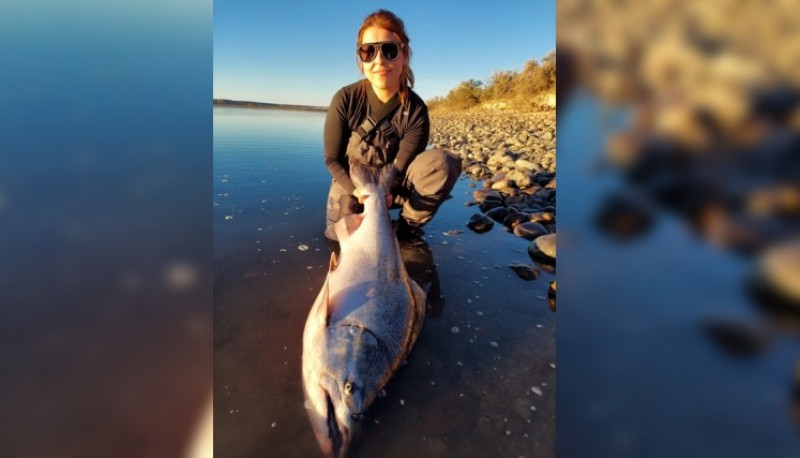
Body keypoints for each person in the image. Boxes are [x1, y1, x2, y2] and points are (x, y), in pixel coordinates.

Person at [323, 9, 461, 242]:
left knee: (442, 163)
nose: (379, 60)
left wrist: (384, 194)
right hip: (354, 187)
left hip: (394, 189)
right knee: (337, 240)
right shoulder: (345, 99)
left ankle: (407, 227)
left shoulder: (416, 110)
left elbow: (400, 167)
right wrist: (357, 191)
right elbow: (332, 159)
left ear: (404, 54)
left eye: (389, 50)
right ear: (361, 59)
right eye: (368, 51)